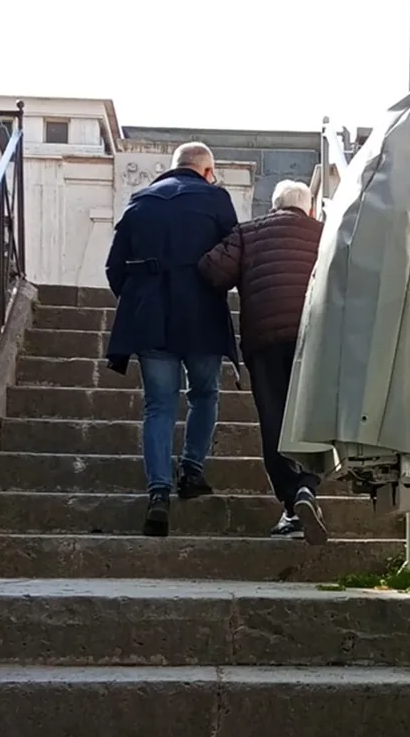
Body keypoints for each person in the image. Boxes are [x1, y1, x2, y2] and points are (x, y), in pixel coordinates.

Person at [105, 142, 240, 538]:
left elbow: (115, 268)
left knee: (159, 405)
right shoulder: (216, 199)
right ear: (207, 169)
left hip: (150, 318)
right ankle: (192, 471)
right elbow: (232, 257)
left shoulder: (139, 202)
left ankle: (159, 493)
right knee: (204, 394)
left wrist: (140, 299)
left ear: (173, 167)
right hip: (201, 316)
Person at [198, 180, 327, 545]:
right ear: (311, 209)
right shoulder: (326, 234)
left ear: (273, 207)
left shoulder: (248, 232)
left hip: (265, 341)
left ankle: (292, 500)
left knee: (274, 419)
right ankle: (307, 488)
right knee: (311, 417)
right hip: (314, 338)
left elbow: (212, 270)